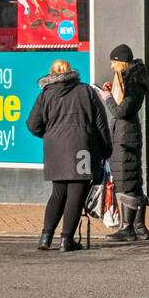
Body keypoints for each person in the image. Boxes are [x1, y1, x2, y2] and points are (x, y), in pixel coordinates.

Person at [25, 59, 112, 252]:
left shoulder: (45, 95)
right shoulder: (86, 91)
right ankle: (66, 240)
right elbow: (100, 123)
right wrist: (106, 150)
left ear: (51, 74)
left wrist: (50, 135)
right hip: (81, 147)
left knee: (57, 193)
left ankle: (45, 237)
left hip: (54, 149)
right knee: (76, 193)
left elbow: (32, 125)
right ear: (71, 72)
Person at [103, 44, 149, 242]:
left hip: (127, 136)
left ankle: (127, 228)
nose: (112, 67)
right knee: (132, 179)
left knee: (128, 179)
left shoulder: (133, 83)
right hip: (125, 133)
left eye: (114, 63)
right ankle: (139, 226)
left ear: (122, 62)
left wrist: (107, 98)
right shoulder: (129, 80)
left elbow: (121, 111)